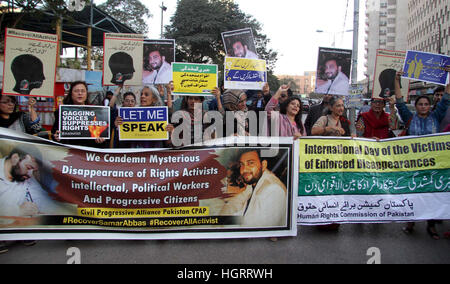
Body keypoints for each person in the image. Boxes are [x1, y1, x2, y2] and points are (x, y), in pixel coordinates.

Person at [396, 71, 450, 240]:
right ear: (417, 106)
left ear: (430, 105)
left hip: (433, 165)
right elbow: (399, 102)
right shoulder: (410, 119)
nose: (424, 106)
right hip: (413, 165)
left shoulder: (436, 117)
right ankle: (411, 221)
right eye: (420, 104)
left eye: (426, 104)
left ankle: (431, 225)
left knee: (432, 194)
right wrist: (397, 80)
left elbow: (447, 95)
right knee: (414, 193)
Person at [220, 150, 287, 227]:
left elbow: (249, 227)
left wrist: (221, 222)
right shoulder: (255, 180)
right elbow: (237, 201)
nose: (244, 170)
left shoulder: (272, 190)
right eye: (242, 164)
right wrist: (222, 217)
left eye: (251, 163)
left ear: (263, 165)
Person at [51, 81, 107, 148]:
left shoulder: (96, 111)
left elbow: (102, 132)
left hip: (90, 150)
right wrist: (56, 137)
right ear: (71, 94)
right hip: (68, 150)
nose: (80, 93)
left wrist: (101, 139)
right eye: (76, 91)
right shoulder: (62, 112)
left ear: (86, 94)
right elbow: (54, 133)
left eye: (83, 91)